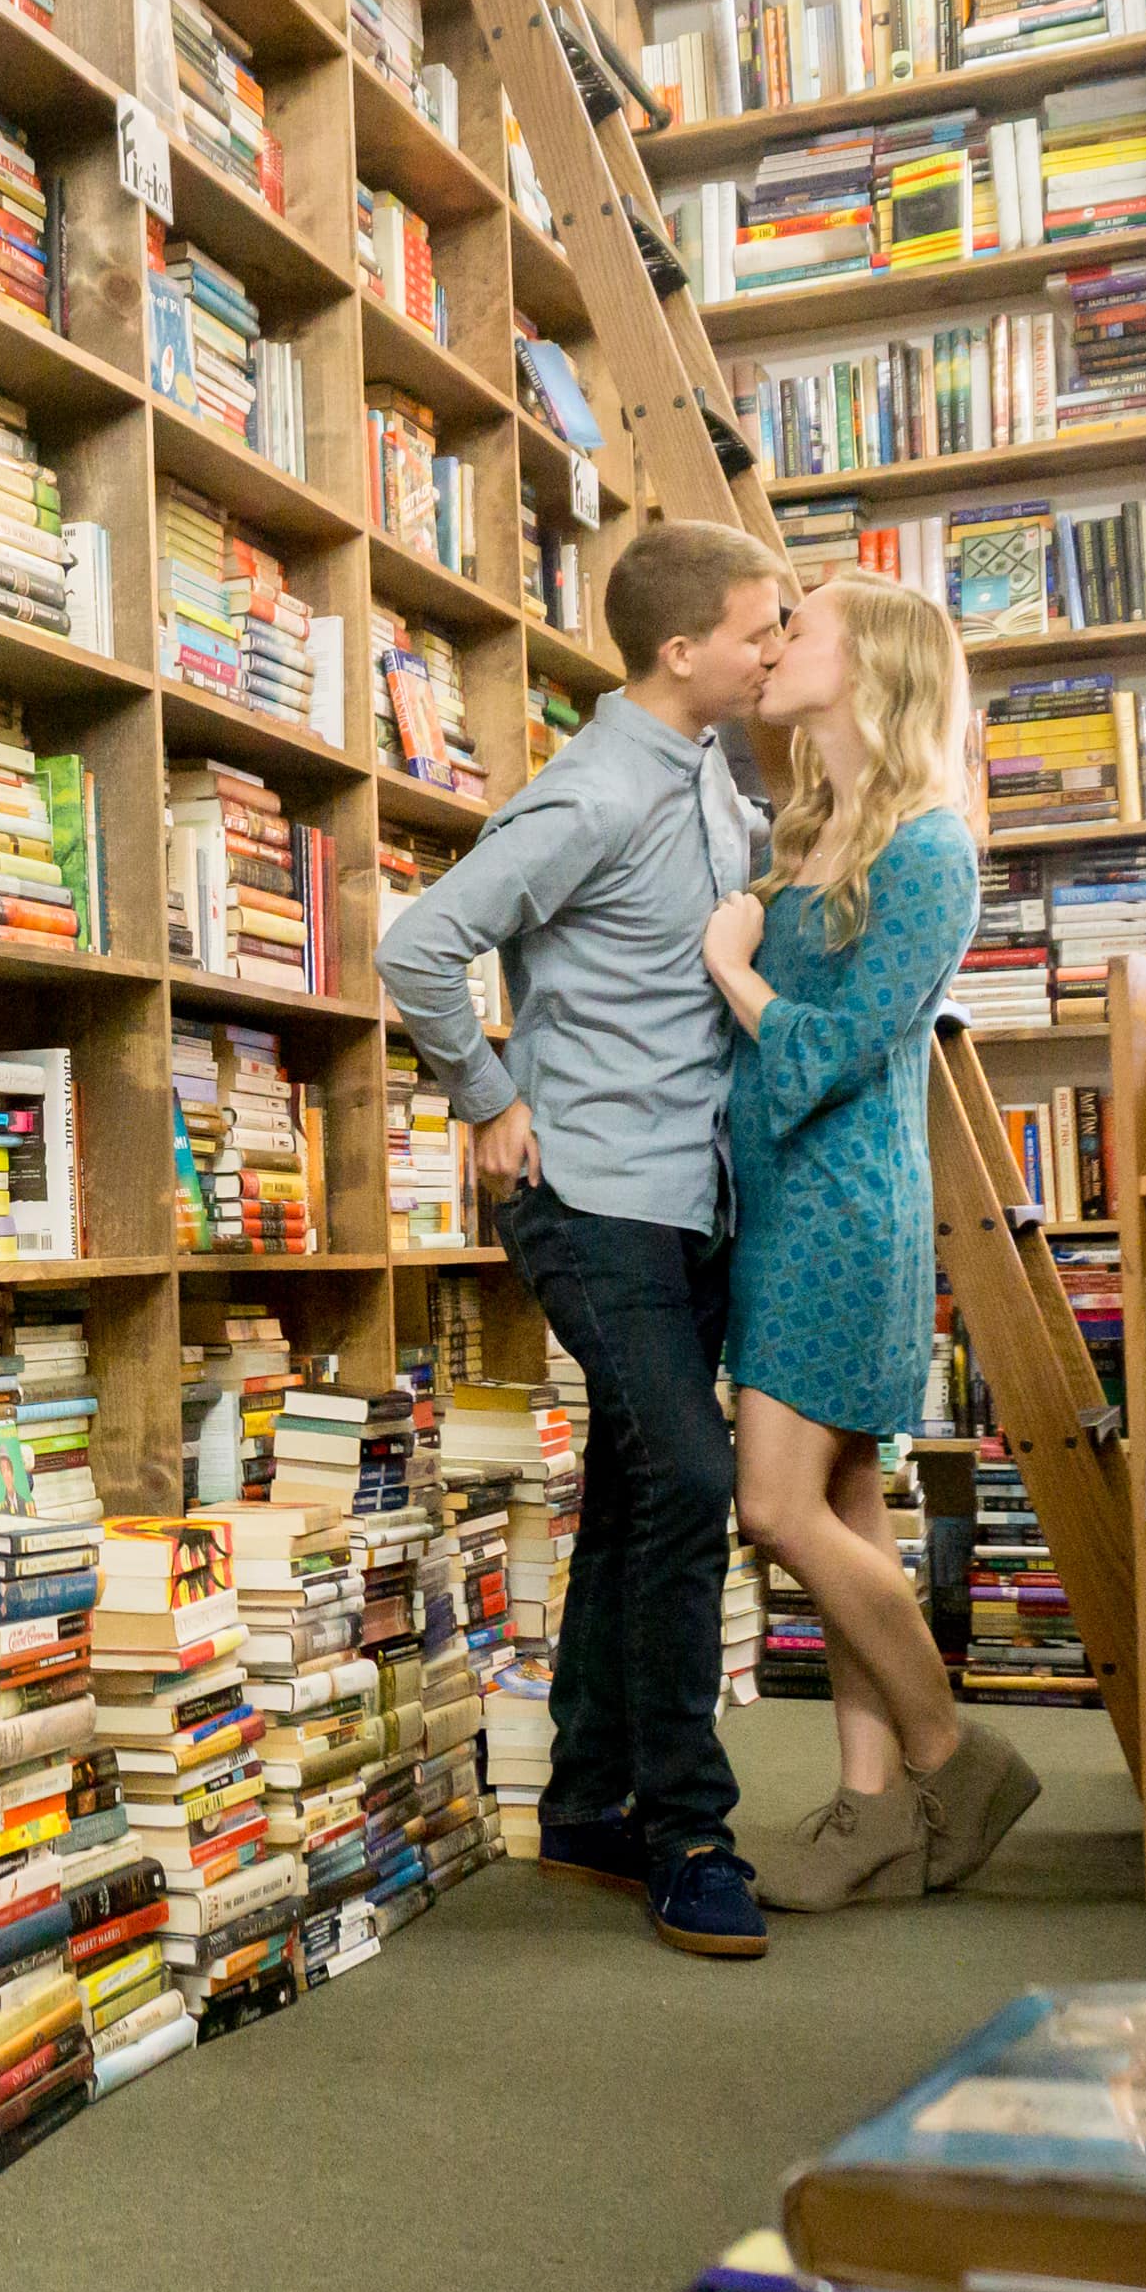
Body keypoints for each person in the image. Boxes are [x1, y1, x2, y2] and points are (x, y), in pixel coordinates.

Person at [374, 520, 789, 1958]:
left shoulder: (710, 778)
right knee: (690, 1475)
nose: (775, 647)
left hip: (688, 1193)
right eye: (759, 629)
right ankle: (687, 1826)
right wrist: (483, 1095)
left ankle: (585, 1801)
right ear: (682, 651)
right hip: (590, 1190)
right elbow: (419, 943)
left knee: (630, 1491)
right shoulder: (594, 789)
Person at [701, 575, 1042, 1909]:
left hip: (847, 1209)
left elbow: (838, 1050)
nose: (779, 647)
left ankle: (952, 1751)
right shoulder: (811, 827)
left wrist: (734, 966)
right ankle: (867, 1812)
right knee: (839, 1502)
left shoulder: (927, 852)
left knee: (774, 1505)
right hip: (780, 1201)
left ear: (873, 668)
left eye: (805, 630)